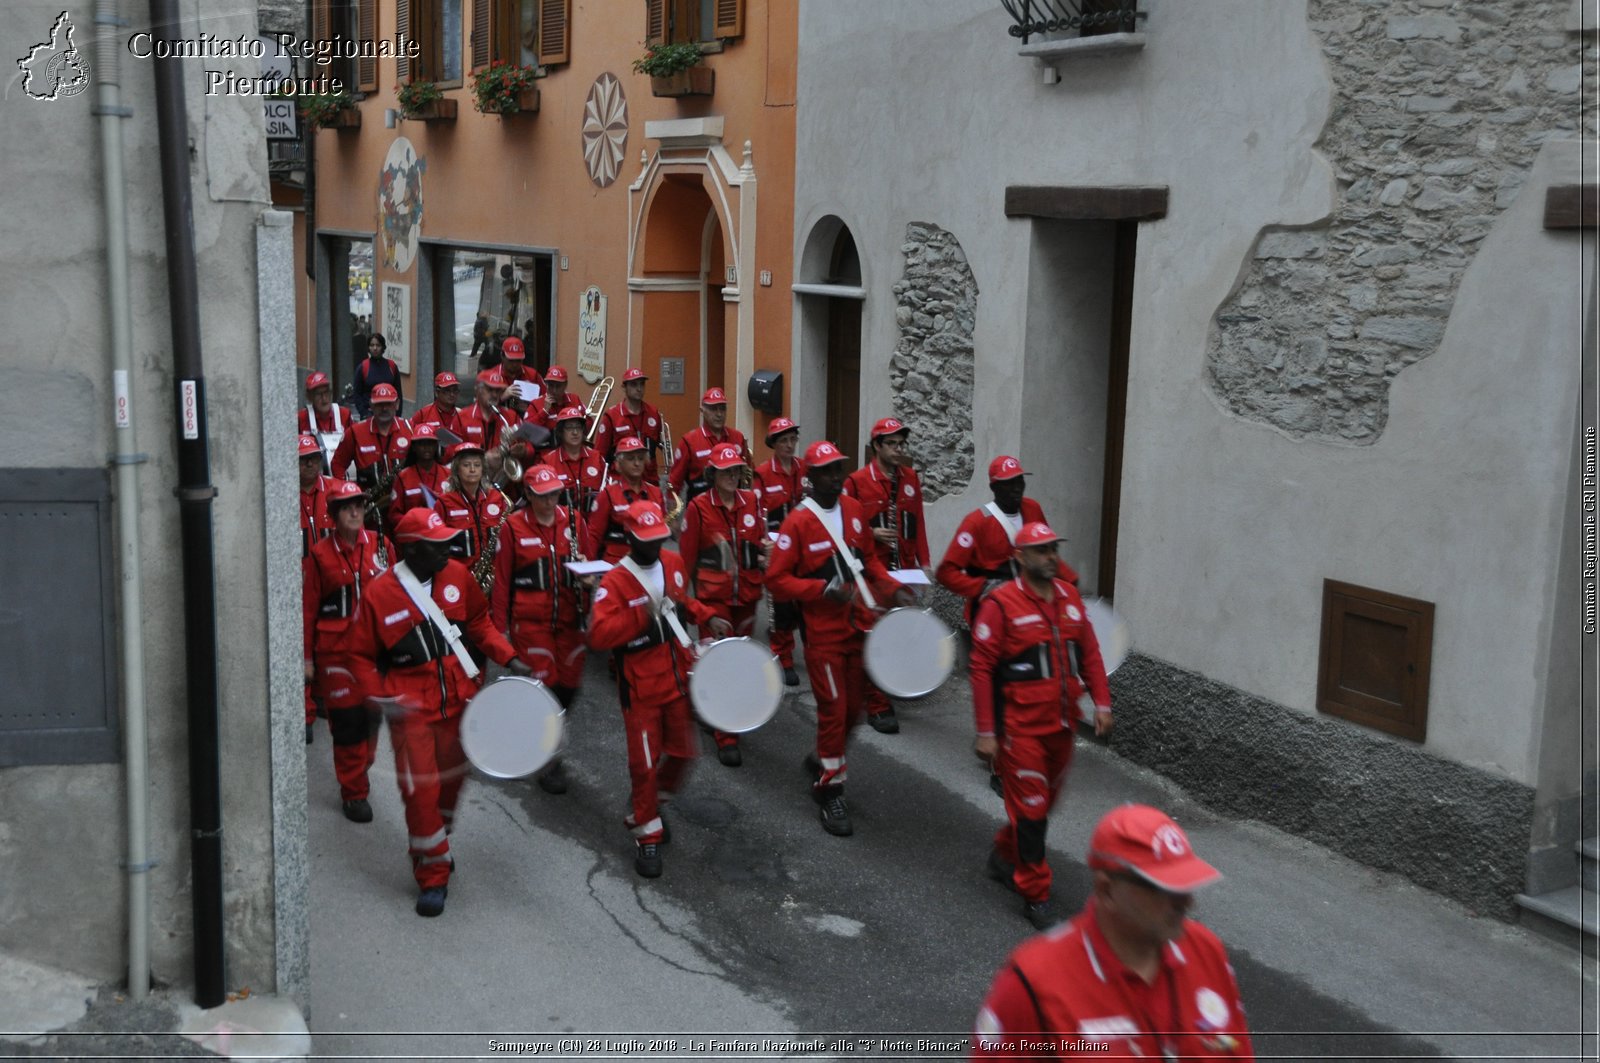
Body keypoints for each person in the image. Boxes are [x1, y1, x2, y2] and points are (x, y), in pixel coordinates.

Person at [343, 509, 529, 917]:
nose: (447, 549)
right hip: (412, 712)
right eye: (437, 543)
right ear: (411, 548)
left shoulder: (458, 576)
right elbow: (357, 655)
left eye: (447, 541)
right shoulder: (379, 593)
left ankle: (436, 841)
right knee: (421, 793)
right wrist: (382, 697)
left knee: (450, 788)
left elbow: (479, 623)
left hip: (460, 704)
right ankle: (433, 874)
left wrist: (510, 657)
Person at [971, 804, 1254, 1060]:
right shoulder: (1033, 983)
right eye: (1166, 889)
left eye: (1187, 886)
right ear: (1107, 890)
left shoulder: (1206, 951)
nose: (1187, 902)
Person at [970, 521, 1111, 929]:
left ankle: (1004, 854)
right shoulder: (1000, 606)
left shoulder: (1068, 597)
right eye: (1042, 550)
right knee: (1032, 811)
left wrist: (1102, 703)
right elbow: (981, 669)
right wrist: (986, 732)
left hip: (1062, 726)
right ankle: (1036, 892)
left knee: (1042, 807)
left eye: (1054, 549)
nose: (1051, 557)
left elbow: (1091, 654)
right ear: (1020, 557)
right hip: (1020, 730)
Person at [767, 441, 911, 837]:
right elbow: (776, 578)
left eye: (839, 469)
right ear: (811, 478)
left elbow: (868, 562)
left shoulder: (853, 511)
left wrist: (891, 588)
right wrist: (818, 590)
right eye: (828, 471)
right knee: (833, 709)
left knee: (853, 713)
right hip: (823, 636)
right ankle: (830, 790)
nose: (836, 476)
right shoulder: (797, 522)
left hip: (858, 629)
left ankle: (823, 759)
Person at [587, 502, 727, 878]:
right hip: (641, 689)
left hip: (678, 679)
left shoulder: (674, 564)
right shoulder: (616, 582)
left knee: (684, 754)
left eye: (660, 539)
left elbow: (681, 601)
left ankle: (646, 803)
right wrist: (640, 616)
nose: (655, 547)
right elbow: (599, 635)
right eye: (646, 540)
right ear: (630, 538)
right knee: (644, 766)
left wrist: (706, 615)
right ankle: (646, 833)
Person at [490, 464, 594, 795]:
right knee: (543, 687)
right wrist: (499, 634)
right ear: (529, 495)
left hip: (570, 621)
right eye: (542, 496)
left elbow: (590, 566)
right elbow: (502, 581)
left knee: (569, 687)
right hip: (530, 624)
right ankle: (549, 758)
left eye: (554, 495)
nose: (550, 502)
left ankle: (539, 739)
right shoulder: (513, 527)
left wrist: (591, 587)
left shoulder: (575, 522)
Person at [303, 481, 394, 820]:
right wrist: (307, 658)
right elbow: (308, 609)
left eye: (359, 505)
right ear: (334, 516)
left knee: (371, 720)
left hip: (374, 654)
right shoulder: (319, 555)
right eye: (347, 506)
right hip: (336, 656)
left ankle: (361, 768)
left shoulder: (381, 546)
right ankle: (354, 792)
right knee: (347, 724)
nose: (355, 511)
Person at [678, 443, 771, 767]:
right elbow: (685, 562)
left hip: (747, 597)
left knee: (740, 664)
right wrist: (686, 603)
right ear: (713, 474)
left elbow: (760, 545)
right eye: (725, 471)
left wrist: (764, 556)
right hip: (713, 601)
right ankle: (726, 734)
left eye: (736, 471)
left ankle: (715, 708)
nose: (732, 476)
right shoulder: (698, 507)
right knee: (720, 666)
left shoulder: (753, 502)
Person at [843, 416, 929, 735]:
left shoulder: (910, 479)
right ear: (876, 446)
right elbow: (845, 529)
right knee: (874, 635)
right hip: (873, 571)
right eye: (891, 444)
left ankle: (884, 685)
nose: (897, 450)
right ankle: (877, 704)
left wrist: (925, 563)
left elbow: (918, 523)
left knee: (898, 635)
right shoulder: (855, 481)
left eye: (900, 444)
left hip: (904, 567)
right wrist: (870, 532)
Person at [937, 456, 1051, 628]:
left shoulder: (1033, 509)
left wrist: (1068, 585)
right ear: (994, 487)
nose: (1017, 488)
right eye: (1009, 483)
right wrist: (982, 587)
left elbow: (1048, 552)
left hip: (1030, 607)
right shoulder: (976, 522)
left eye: (1020, 480)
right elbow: (946, 572)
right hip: (992, 612)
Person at [752, 417, 806, 687]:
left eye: (792, 439)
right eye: (783, 440)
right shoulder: (762, 474)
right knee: (780, 606)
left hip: (803, 548)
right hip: (775, 549)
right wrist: (762, 548)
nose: (789, 445)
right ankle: (782, 657)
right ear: (773, 443)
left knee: (804, 603)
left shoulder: (804, 469)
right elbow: (756, 514)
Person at [434, 441, 512, 580]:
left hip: (493, 574)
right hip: (459, 575)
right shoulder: (444, 502)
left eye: (477, 465)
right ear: (457, 469)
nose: (472, 470)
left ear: (483, 469)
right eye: (466, 465)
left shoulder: (496, 497)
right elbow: (438, 545)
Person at [587, 435, 665, 566]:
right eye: (631, 459)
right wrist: (588, 567)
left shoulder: (656, 492)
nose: (637, 463)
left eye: (640, 459)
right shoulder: (608, 494)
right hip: (616, 564)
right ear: (618, 464)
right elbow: (594, 535)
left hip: (649, 563)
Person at [331, 382, 412, 497]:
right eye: (379, 404)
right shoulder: (355, 432)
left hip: (404, 501)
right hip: (369, 503)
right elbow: (337, 464)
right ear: (371, 405)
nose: (384, 408)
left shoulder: (410, 429)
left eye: (388, 404)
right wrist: (348, 491)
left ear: (397, 404)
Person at [670, 387, 751, 502]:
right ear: (702, 410)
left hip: (733, 507)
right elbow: (675, 482)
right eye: (713, 409)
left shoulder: (737, 437)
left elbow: (747, 475)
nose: (719, 414)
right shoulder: (689, 441)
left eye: (722, 409)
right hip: (700, 508)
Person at [592, 368, 665, 483]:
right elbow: (600, 454)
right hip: (620, 481)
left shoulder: (653, 413)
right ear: (624, 388)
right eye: (633, 384)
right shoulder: (612, 416)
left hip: (649, 481)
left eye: (642, 384)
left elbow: (661, 445)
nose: (639, 388)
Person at [540, 403, 605, 523]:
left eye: (578, 427)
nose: (575, 432)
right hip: (561, 525)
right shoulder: (548, 461)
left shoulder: (596, 457)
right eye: (569, 427)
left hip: (593, 525)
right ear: (560, 432)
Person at [388, 422, 449, 524]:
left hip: (443, 533)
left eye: (430, 443)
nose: (426, 447)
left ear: (436, 446)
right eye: (422, 443)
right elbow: (394, 515)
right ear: (414, 447)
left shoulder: (448, 474)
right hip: (414, 534)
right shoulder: (403, 477)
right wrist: (413, 521)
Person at [298, 371, 352, 472]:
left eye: (326, 392)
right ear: (309, 397)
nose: (324, 398)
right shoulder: (301, 418)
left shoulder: (344, 414)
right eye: (318, 394)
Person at [298, 433, 335, 560]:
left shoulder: (336, 489)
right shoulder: (283, 497)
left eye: (314, 458)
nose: (309, 464)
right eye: (303, 459)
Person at [351, 332, 401, 419]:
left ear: (382, 347)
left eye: (378, 345)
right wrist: (364, 413)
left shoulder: (391, 366)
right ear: (368, 348)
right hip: (369, 414)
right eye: (372, 345)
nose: (375, 348)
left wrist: (397, 414)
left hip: (389, 414)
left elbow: (398, 393)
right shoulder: (363, 367)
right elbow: (357, 394)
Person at [412, 371, 466, 439]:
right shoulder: (423, 414)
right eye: (447, 391)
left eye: (455, 390)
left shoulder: (462, 415)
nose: (452, 394)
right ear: (437, 392)